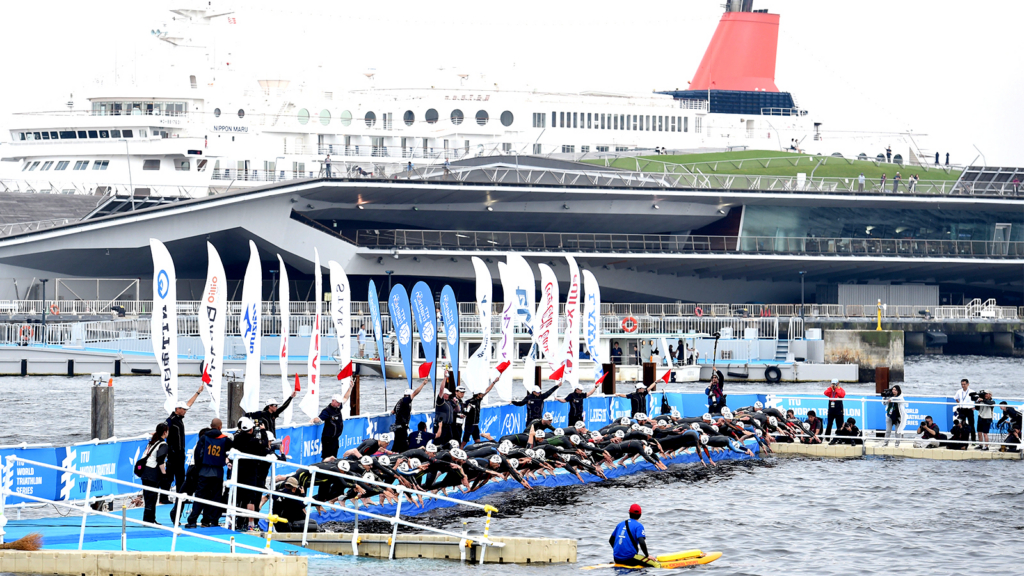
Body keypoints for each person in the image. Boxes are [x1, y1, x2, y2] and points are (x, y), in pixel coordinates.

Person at [185, 418, 233, 529]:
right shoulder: (225, 439)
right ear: (220, 427)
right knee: (215, 498)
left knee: (199, 497)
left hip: (204, 471)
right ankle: (212, 521)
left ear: (211, 426)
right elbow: (234, 448)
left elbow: (197, 454)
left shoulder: (204, 438)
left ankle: (192, 521)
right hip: (217, 472)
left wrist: (198, 468)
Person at [161, 383, 204, 502]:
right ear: (177, 409)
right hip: (172, 453)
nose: (185, 411)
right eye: (183, 409)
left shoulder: (179, 418)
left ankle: (181, 497)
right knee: (169, 477)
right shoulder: (171, 420)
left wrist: (198, 392)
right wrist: (155, 435)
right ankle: (163, 498)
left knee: (181, 477)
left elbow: (189, 404)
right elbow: (162, 429)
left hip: (180, 453)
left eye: (185, 409)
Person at [232, 416, 271, 529]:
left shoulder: (237, 438)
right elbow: (263, 444)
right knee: (250, 498)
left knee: (238, 496)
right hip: (251, 470)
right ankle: (250, 523)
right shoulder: (253, 441)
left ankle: (234, 521)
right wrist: (263, 431)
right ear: (251, 429)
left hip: (239, 469)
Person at [609, 503, 658, 568]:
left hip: (617, 558)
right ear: (640, 514)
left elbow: (611, 540)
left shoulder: (620, 524)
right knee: (655, 564)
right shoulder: (639, 526)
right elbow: (641, 542)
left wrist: (620, 552)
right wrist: (647, 555)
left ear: (629, 513)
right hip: (629, 559)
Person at [140, 423, 169, 525]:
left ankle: (147, 518)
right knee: (152, 497)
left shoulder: (151, 442)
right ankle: (150, 519)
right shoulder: (163, 445)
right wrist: (164, 473)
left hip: (145, 472)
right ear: (165, 432)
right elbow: (160, 460)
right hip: (153, 473)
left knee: (147, 496)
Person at [315, 389, 354, 459]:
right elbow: (319, 419)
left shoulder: (338, 408)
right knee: (327, 457)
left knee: (334, 456)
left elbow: (345, 398)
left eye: (340, 402)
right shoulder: (327, 411)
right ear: (333, 401)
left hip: (335, 439)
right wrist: (313, 420)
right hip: (328, 439)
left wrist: (350, 387)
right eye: (338, 402)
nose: (339, 404)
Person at [391, 378, 428, 453]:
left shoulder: (400, 401)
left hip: (398, 427)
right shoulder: (406, 400)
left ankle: (392, 458)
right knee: (403, 447)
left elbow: (393, 411)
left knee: (396, 446)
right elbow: (415, 393)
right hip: (401, 428)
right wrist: (423, 384)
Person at [954, 379, 977, 445]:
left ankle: (973, 441)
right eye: (962, 384)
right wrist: (960, 403)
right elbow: (956, 398)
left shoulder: (972, 391)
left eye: (964, 384)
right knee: (962, 425)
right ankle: (963, 440)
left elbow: (977, 399)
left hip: (969, 409)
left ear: (968, 384)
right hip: (962, 409)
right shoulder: (959, 391)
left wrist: (974, 406)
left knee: (971, 425)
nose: (963, 386)